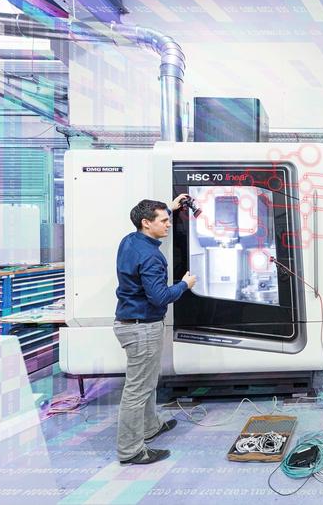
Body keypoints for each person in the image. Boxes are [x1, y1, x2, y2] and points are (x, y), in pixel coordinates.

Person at [114, 195, 197, 465]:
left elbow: (151, 220)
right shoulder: (151, 257)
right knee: (137, 390)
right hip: (143, 328)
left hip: (131, 323)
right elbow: (160, 297)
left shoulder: (130, 240)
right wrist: (184, 285)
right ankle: (130, 451)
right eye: (163, 220)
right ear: (146, 223)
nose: (168, 224)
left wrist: (169, 208)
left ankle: (150, 427)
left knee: (147, 383)